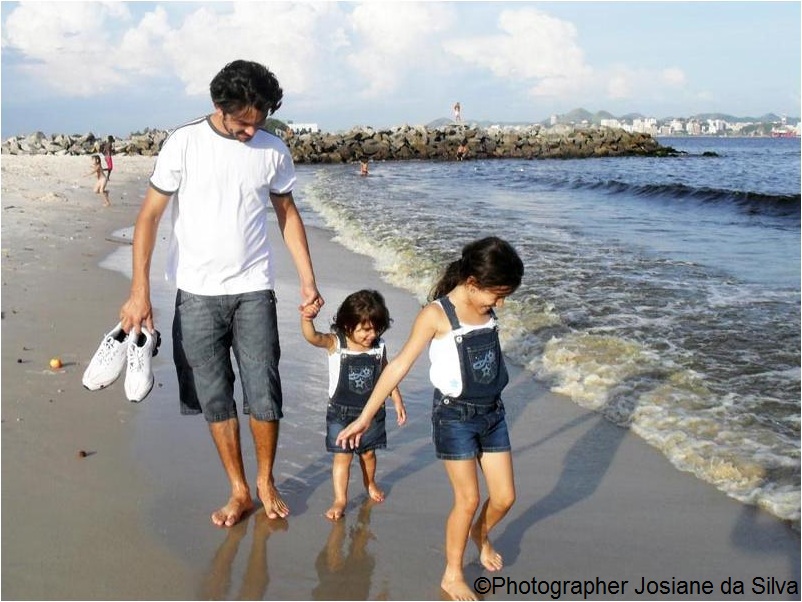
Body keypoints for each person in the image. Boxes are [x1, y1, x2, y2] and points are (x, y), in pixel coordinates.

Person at [118, 59, 324, 528]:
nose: (252, 130)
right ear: (220, 107)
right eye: (242, 122)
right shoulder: (184, 144)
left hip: (254, 288)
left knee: (264, 390)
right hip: (196, 293)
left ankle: (266, 480)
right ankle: (238, 488)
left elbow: (287, 214)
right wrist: (139, 291)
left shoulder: (273, 150)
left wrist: (308, 279)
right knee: (214, 397)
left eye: (260, 120)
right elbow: (148, 217)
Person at [336, 237, 524, 601]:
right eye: (497, 295)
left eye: (504, 297)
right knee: (468, 500)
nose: (499, 304)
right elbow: (399, 366)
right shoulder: (436, 315)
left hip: (492, 414)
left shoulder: (485, 309)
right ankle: (452, 574)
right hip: (455, 417)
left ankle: (479, 536)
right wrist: (364, 417)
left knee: (504, 498)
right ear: (472, 283)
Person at [301, 289, 406, 520]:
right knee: (343, 457)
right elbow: (313, 337)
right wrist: (307, 319)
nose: (372, 335)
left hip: (372, 413)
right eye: (366, 330)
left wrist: (396, 397)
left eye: (376, 329)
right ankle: (340, 499)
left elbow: (386, 373)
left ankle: (370, 483)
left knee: (368, 454)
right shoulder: (336, 343)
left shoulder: (379, 346)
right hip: (341, 412)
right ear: (348, 325)